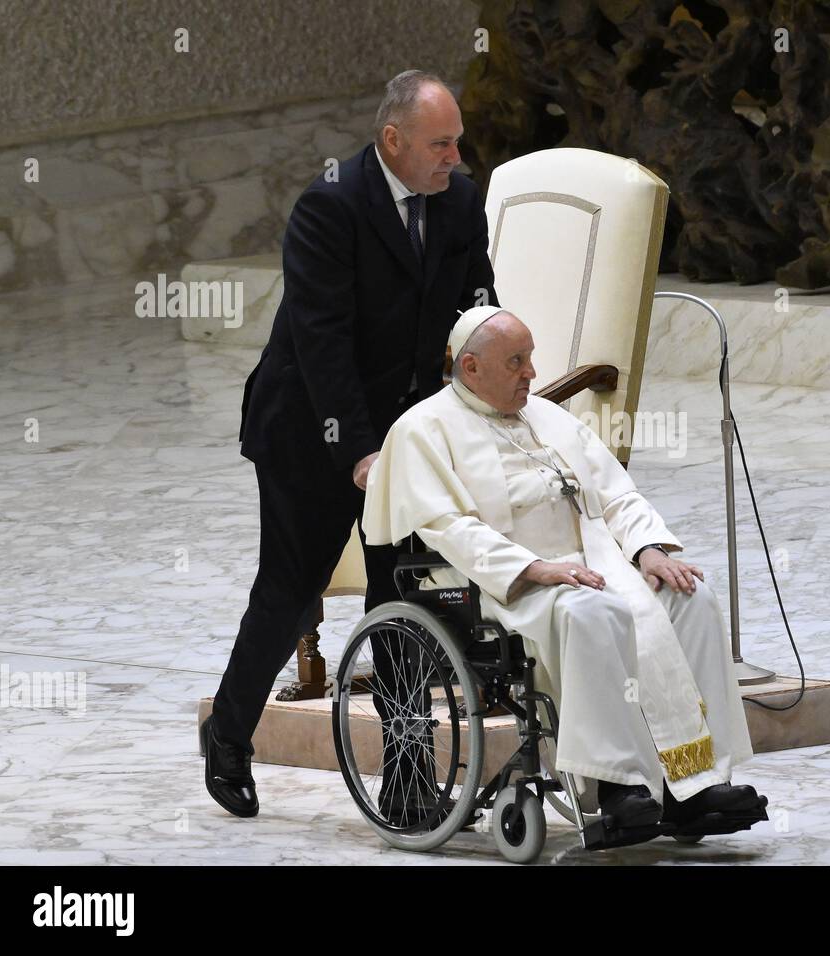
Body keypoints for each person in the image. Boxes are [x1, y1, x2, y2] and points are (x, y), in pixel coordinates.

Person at [202, 70, 497, 817]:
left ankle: (405, 779)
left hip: (402, 429)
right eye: (441, 143)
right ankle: (230, 735)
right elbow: (322, 344)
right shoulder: (329, 206)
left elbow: (478, 307)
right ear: (392, 140)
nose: (455, 157)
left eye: (457, 141)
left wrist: (495, 387)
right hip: (309, 427)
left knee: (401, 596)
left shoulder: (460, 201)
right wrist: (359, 453)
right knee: (291, 590)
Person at [361, 306, 766, 828]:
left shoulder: (548, 416)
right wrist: (534, 568)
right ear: (471, 367)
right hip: (497, 581)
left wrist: (648, 550)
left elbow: (616, 493)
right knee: (592, 615)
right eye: (516, 362)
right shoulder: (422, 429)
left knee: (691, 599)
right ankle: (618, 788)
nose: (531, 373)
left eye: (529, 359)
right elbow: (449, 527)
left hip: (596, 562)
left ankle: (696, 782)